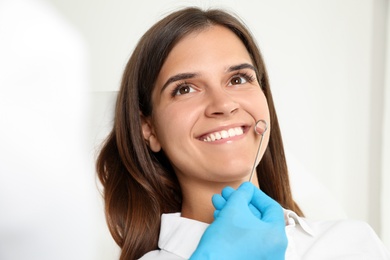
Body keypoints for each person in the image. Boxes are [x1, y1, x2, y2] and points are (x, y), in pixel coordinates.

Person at [96, 7, 390, 260]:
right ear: (149, 129)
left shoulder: (352, 244)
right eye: (185, 88)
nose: (223, 104)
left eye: (238, 79)